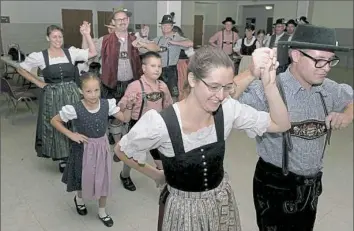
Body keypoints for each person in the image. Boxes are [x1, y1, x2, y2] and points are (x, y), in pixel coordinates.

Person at [114, 45, 291, 231]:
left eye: (227, 87)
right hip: (184, 210)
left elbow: (281, 124)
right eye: (213, 87)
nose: (221, 96)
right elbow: (121, 149)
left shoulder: (228, 109)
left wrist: (269, 85)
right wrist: (157, 175)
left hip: (221, 201)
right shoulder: (160, 123)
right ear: (192, 79)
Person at [233, 24, 353, 230]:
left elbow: (350, 98)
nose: (326, 67)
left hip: (311, 186)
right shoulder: (270, 87)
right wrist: (251, 72)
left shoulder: (329, 89)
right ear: (296, 55)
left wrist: (348, 115)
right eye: (319, 60)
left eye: (331, 60)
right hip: (275, 185)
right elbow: (221, 99)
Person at [50, 73, 136, 227]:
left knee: (103, 178)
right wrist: (71, 134)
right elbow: (54, 120)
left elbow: (125, 118)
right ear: (80, 91)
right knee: (82, 176)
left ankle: (102, 211)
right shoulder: (75, 108)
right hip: (83, 148)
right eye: (88, 91)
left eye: (96, 90)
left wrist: (129, 106)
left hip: (101, 147)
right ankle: (80, 199)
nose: (93, 94)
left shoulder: (106, 105)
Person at [17, 23, 97, 172]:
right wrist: (39, 83)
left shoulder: (70, 53)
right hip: (52, 95)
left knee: (75, 122)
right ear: (48, 38)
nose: (58, 39)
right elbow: (21, 68)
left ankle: (77, 152)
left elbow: (92, 52)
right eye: (54, 36)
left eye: (60, 36)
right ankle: (63, 157)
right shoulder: (40, 56)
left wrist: (86, 34)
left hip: (72, 93)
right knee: (58, 124)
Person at [115, 51, 173, 191]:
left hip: (157, 127)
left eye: (159, 66)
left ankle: (164, 183)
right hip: (138, 126)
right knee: (131, 155)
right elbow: (120, 106)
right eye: (153, 66)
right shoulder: (135, 86)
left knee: (160, 157)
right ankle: (124, 175)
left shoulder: (162, 85)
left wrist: (166, 93)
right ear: (144, 68)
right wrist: (129, 102)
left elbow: (169, 107)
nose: (157, 69)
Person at [153, 13, 194, 102]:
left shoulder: (177, 37)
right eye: (164, 25)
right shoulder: (158, 39)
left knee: (174, 94)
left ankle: (174, 112)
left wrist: (174, 43)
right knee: (160, 93)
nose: (166, 27)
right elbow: (148, 46)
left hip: (172, 70)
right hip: (159, 70)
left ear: (172, 26)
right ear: (161, 26)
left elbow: (190, 43)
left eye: (168, 25)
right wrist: (144, 37)